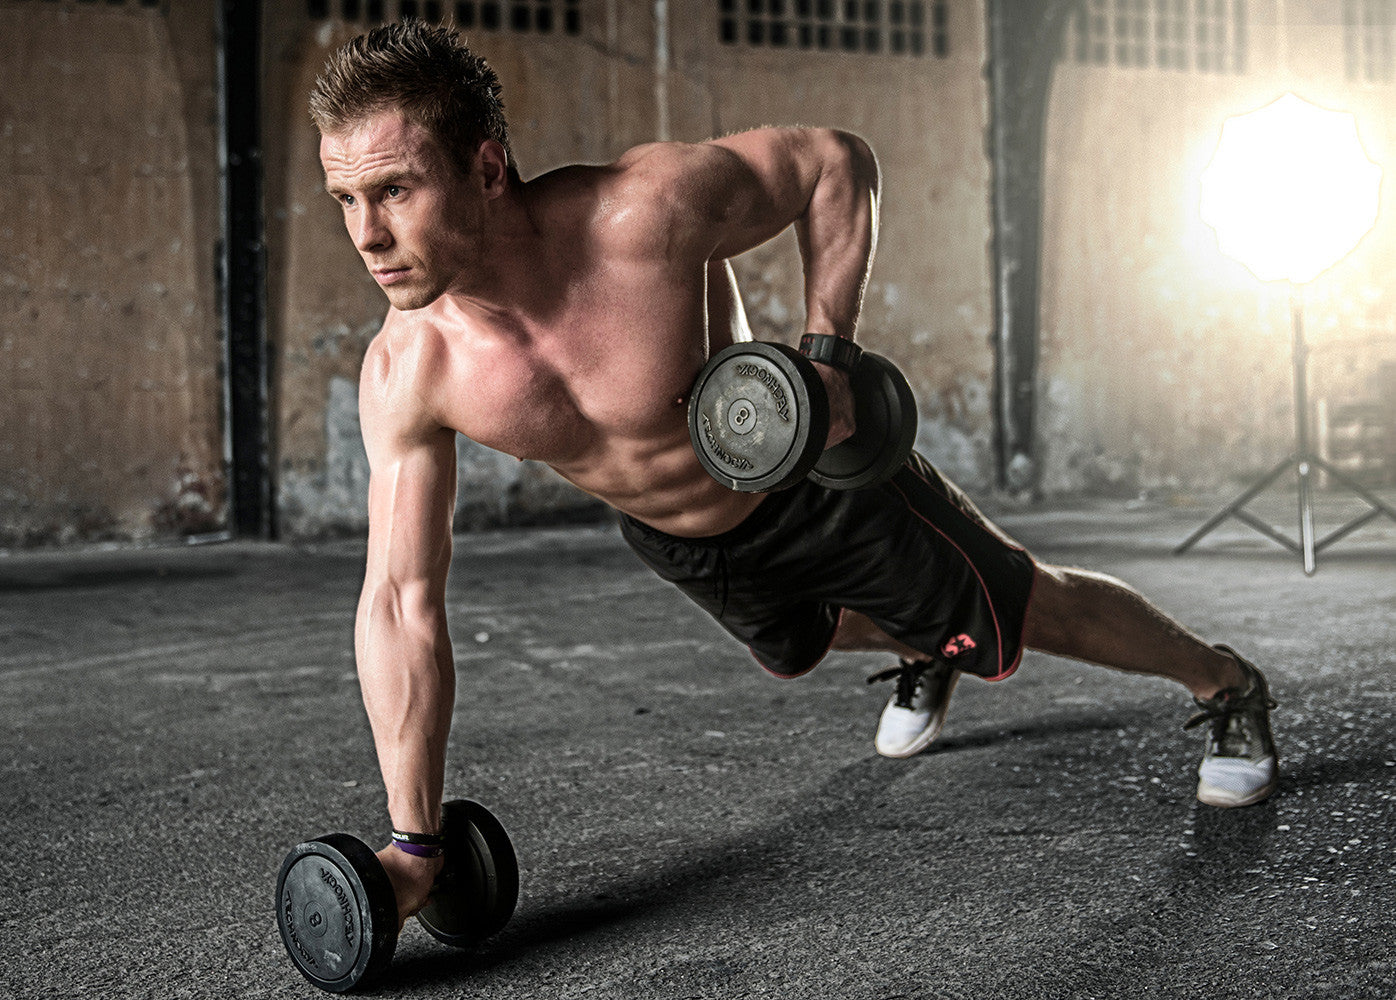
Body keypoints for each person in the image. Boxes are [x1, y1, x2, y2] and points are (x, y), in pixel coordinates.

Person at [308, 20, 1278, 928]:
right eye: (345, 198)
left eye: (394, 188)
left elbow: (832, 163)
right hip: (681, 542)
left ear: (484, 167)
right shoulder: (408, 372)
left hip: (806, 484)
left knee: (1015, 607)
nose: (365, 234)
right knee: (801, 643)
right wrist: (412, 839)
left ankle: (1223, 683)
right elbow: (399, 602)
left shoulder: (640, 213)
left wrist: (828, 355)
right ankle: (921, 648)